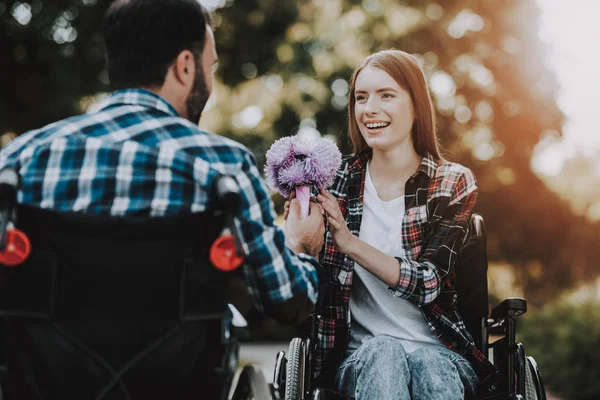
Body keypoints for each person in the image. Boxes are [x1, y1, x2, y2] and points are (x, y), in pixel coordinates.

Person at [0, 0, 324, 325]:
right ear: (185, 66)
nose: (209, 82)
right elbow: (286, 301)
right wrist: (301, 246)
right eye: (209, 67)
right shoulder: (224, 165)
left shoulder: (22, 158)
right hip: (181, 373)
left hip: (46, 372)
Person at [287, 49, 497, 399]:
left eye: (386, 95)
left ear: (416, 107)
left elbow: (429, 282)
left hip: (443, 355)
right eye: (361, 97)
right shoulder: (332, 184)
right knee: (383, 351)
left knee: (429, 361)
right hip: (358, 358)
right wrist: (299, 234)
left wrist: (350, 243)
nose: (369, 108)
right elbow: (298, 269)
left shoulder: (451, 182)